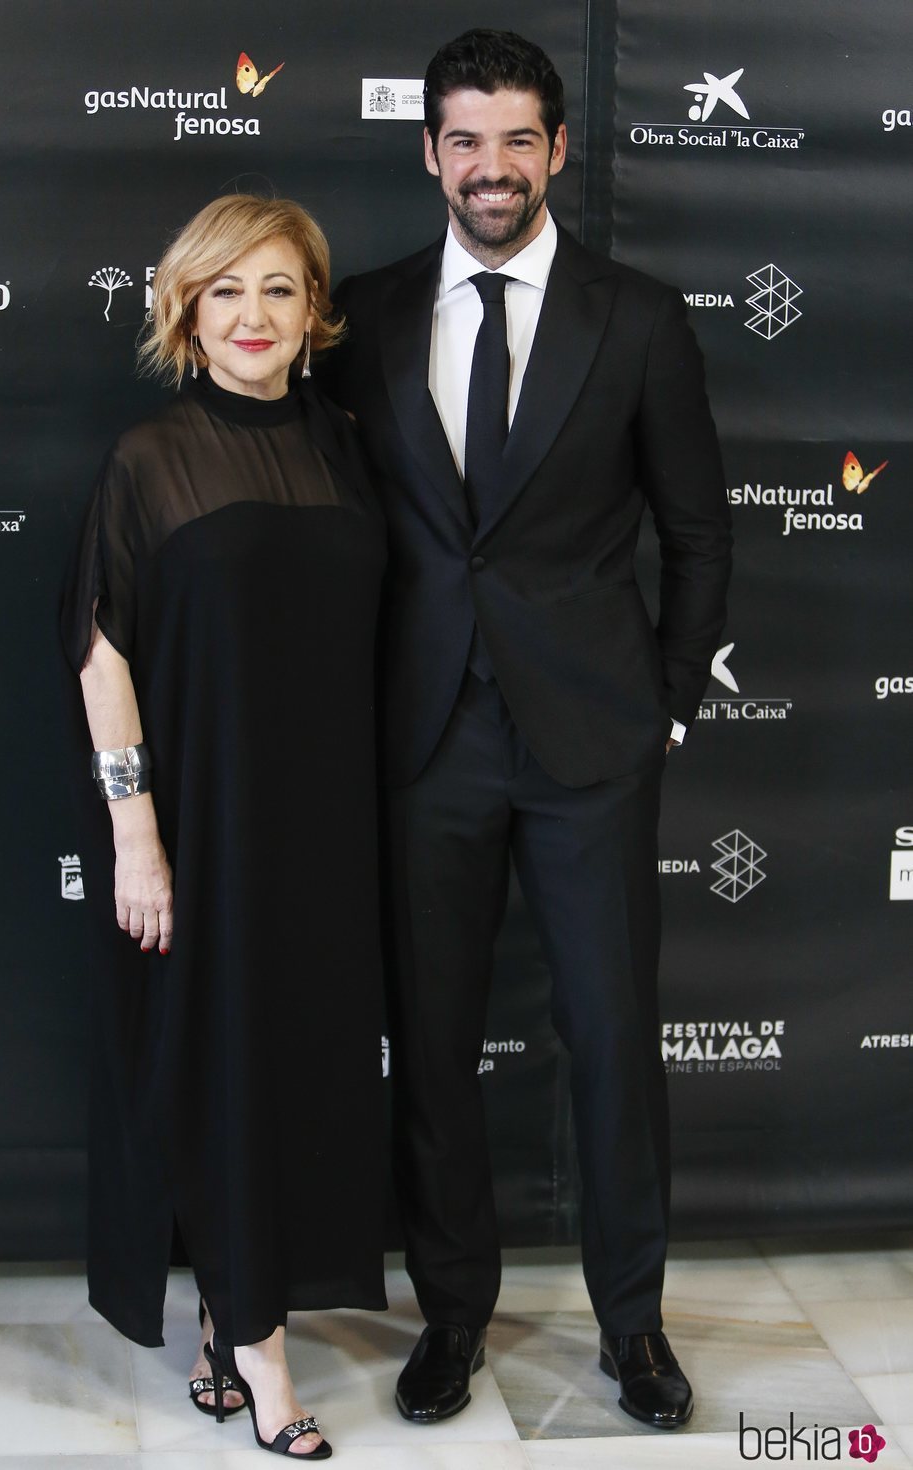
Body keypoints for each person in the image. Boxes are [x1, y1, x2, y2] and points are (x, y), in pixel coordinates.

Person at [323, 30, 732, 1431]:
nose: (490, 169)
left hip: (591, 744)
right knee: (430, 1042)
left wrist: (666, 708)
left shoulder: (640, 318)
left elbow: (699, 535)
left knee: (613, 1038)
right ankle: (450, 1315)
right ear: (429, 152)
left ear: (558, 149)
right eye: (464, 141)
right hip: (422, 738)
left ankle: (635, 1329)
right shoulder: (363, 317)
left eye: (515, 141)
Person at [61, 194, 388, 1459]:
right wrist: (138, 838)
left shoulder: (347, 446)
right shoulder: (153, 456)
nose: (253, 316)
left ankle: (227, 1318)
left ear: (314, 314)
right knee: (225, 1082)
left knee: (300, 1082)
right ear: (186, 311)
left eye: (279, 290)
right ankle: (263, 1356)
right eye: (225, 291)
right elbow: (100, 657)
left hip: (333, 829)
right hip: (204, 825)